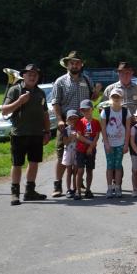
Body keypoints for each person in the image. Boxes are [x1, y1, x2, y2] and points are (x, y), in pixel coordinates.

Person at [0, 63, 50, 206]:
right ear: (23, 75)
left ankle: (30, 192)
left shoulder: (40, 93)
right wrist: (20, 101)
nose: (32, 77)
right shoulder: (15, 90)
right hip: (19, 134)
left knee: (34, 163)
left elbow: (45, 114)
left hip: (36, 134)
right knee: (17, 164)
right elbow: (4, 111)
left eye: (35, 74)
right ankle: (15, 193)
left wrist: (46, 131)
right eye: (30, 74)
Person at [51, 51, 99, 197]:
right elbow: (56, 103)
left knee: (81, 152)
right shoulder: (60, 81)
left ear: (81, 64)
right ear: (67, 64)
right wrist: (59, 119)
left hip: (83, 123)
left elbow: (92, 99)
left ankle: (79, 183)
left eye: (78, 62)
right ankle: (58, 185)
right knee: (63, 154)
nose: (75, 65)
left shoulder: (87, 80)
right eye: (72, 62)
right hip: (66, 121)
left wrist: (96, 93)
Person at [102, 87, 131, 198]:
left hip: (120, 143)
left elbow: (128, 129)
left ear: (121, 98)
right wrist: (106, 144)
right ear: (110, 98)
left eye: (118, 96)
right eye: (114, 96)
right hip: (109, 143)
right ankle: (109, 188)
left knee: (118, 166)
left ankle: (118, 187)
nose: (116, 98)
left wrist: (126, 144)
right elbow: (103, 129)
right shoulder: (106, 111)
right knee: (110, 166)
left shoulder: (125, 111)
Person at [74, 99, 100, 199]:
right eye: (83, 110)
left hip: (91, 150)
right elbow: (79, 136)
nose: (86, 112)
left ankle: (88, 190)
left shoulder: (96, 122)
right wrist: (90, 143)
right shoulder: (80, 122)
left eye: (87, 110)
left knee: (89, 170)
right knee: (80, 170)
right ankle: (78, 191)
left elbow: (97, 136)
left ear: (92, 109)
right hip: (80, 150)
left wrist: (91, 147)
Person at [60, 111, 80, 199]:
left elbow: (81, 140)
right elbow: (65, 142)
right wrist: (71, 137)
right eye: (71, 118)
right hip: (68, 152)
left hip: (77, 152)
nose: (73, 120)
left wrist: (78, 137)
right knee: (69, 171)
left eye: (75, 118)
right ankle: (68, 189)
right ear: (67, 120)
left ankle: (75, 188)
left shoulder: (79, 129)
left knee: (75, 171)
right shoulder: (66, 130)